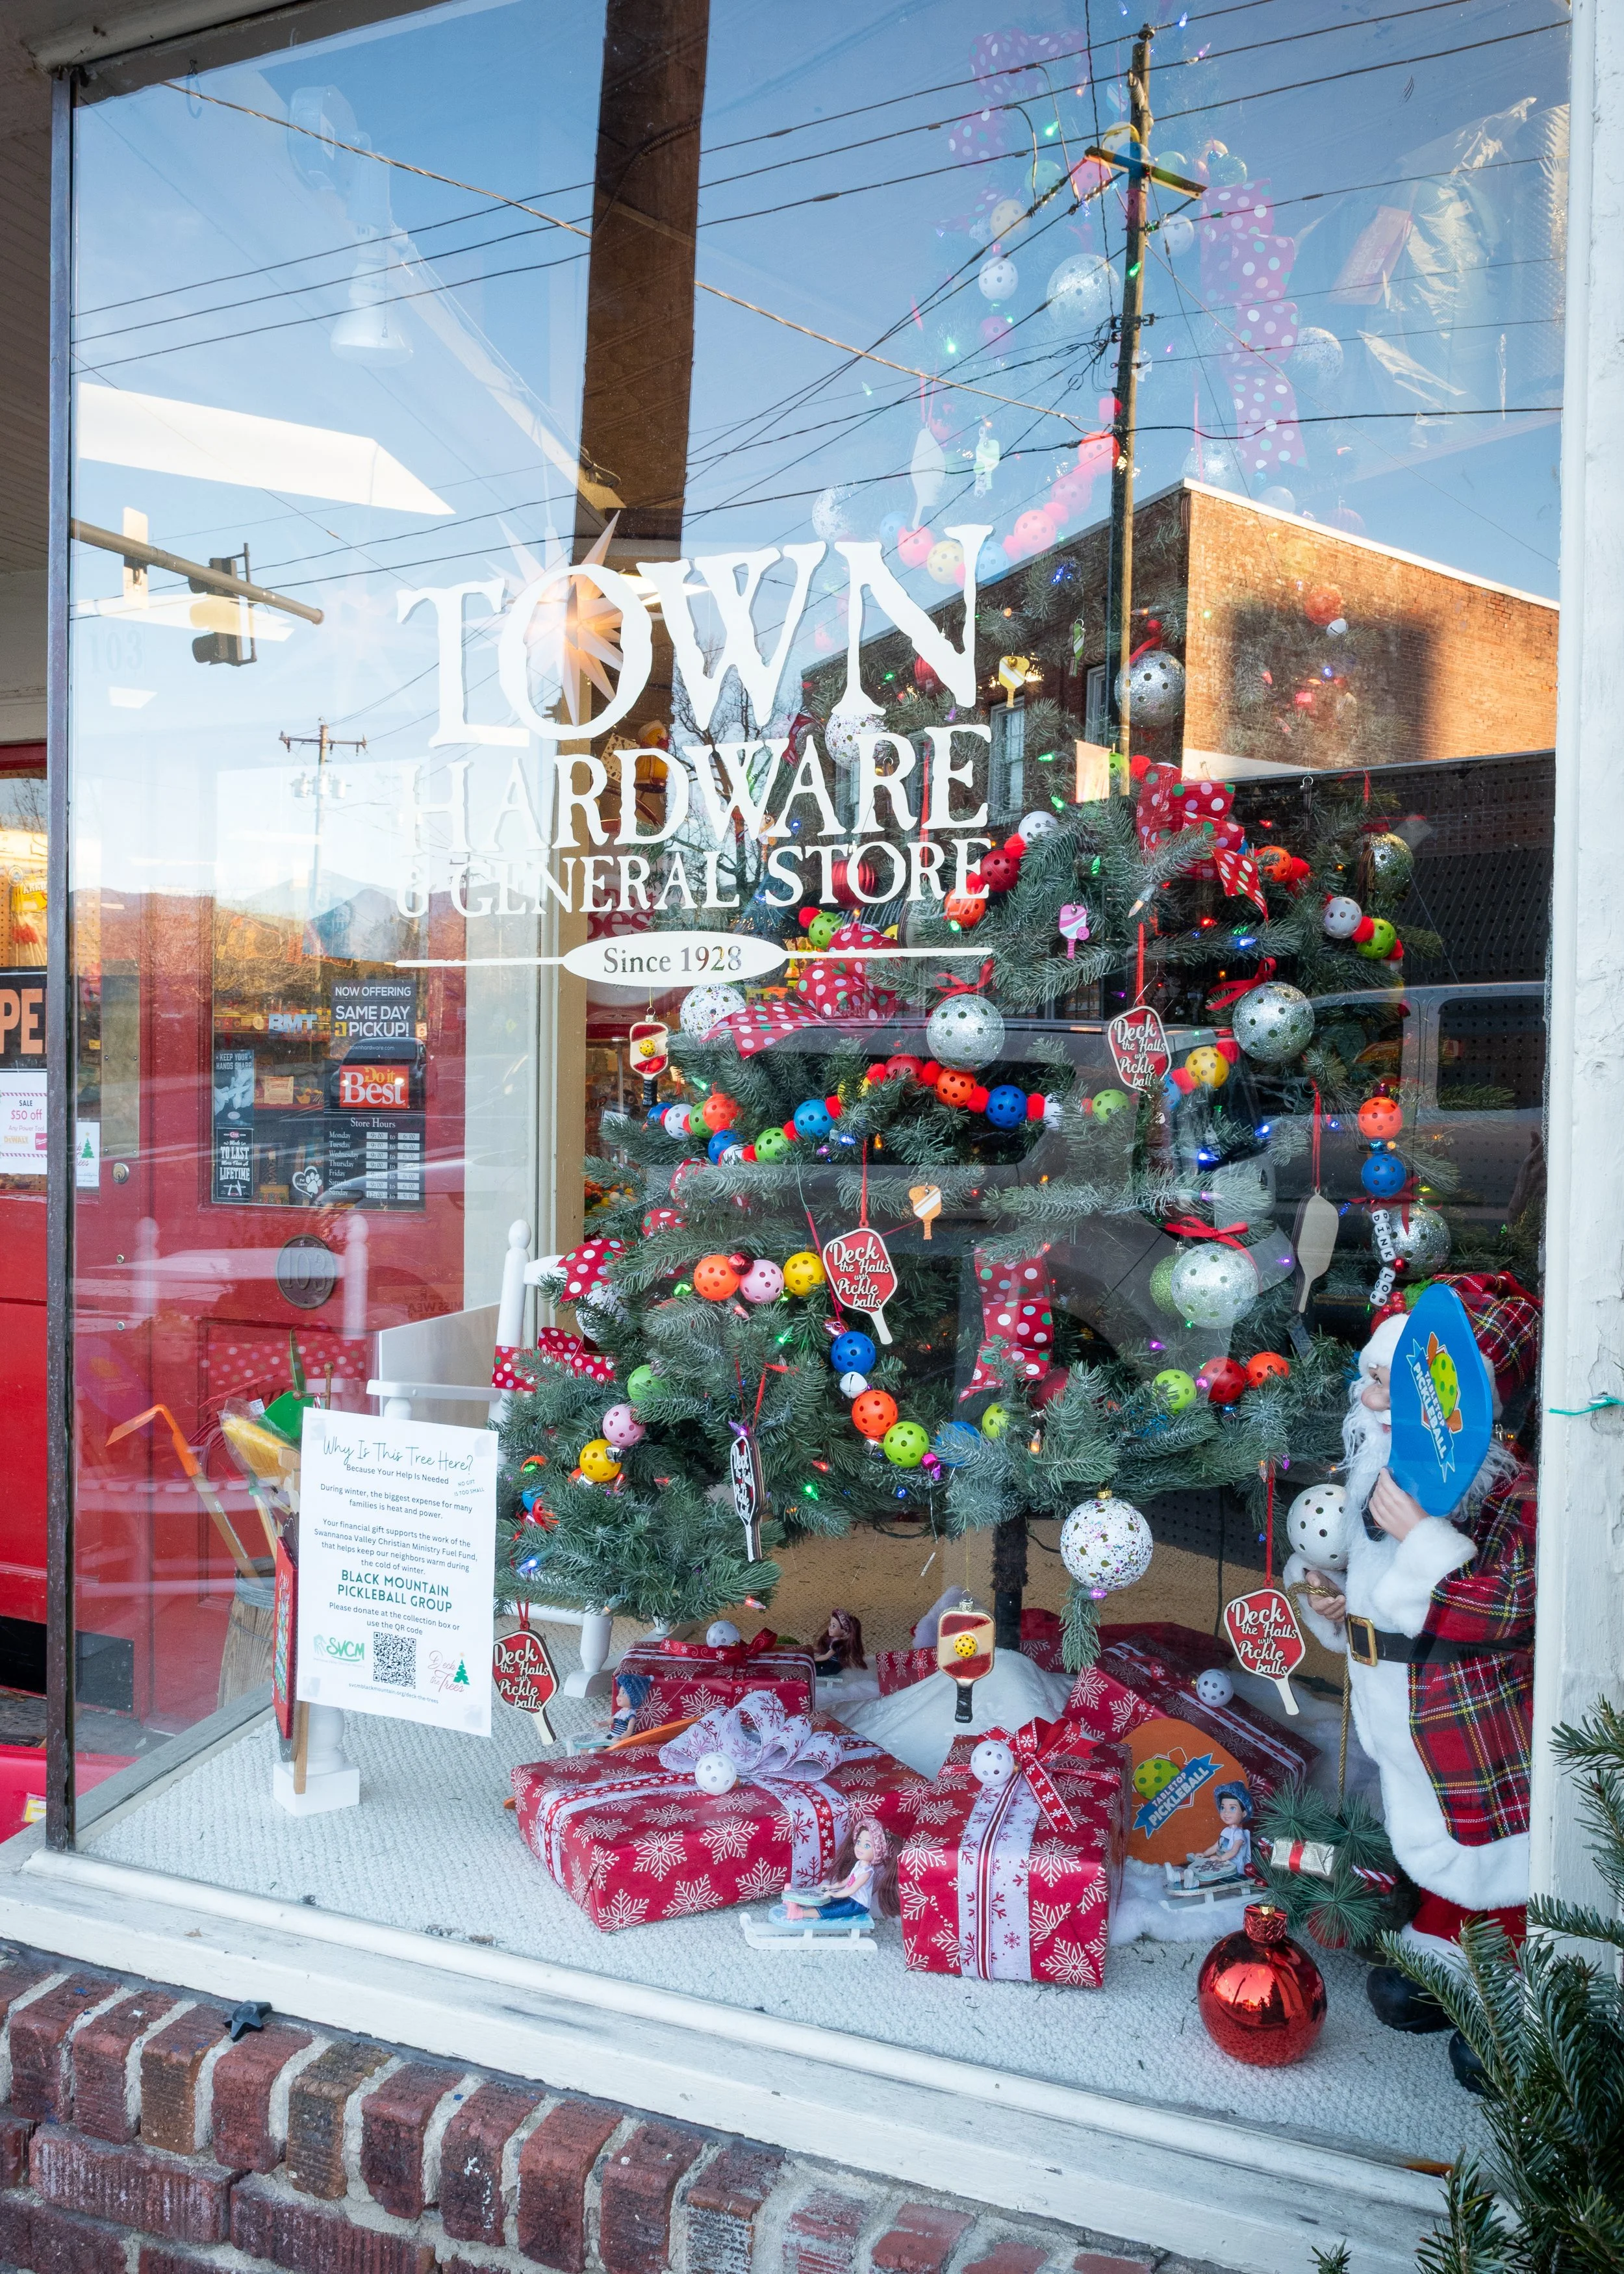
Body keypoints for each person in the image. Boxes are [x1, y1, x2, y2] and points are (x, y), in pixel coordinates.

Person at [1295, 1273, 1540, 2041]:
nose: (1365, 1401)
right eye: (1366, 1378)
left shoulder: (1508, 1494)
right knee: (1425, 1816)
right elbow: (1378, 1588)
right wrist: (1338, 1606)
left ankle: (1512, 1989)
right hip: (1393, 1701)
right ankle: (1441, 1941)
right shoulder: (1382, 1475)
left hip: (1466, 1711)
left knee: (1489, 1834)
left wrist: (1424, 1542)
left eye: (1383, 1383)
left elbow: (1511, 1603)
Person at [776, 1819, 898, 1924]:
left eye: (867, 1846)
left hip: (858, 1905)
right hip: (850, 1898)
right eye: (859, 1842)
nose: (860, 1847)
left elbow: (852, 1889)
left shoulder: (867, 1872)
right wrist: (833, 1887)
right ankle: (794, 1900)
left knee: (832, 1909)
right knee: (827, 1900)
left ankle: (799, 1913)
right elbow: (848, 1881)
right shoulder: (859, 1864)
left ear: (877, 1851)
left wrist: (835, 1894)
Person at [1165, 1780, 1254, 1891]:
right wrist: (1205, 1853)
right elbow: (1217, 1846)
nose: (1226, 1813)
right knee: (1203, 1867)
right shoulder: (1226, 1831)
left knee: (1211, 1876)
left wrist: (1221, 1858)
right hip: (1222, 1863)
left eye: (1232, 1808)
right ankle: (1177, 1876)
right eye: (1223, 1808)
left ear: (1244, 1813)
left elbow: (1234, 1851)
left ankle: (1195, 1883)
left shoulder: (1239, 1834)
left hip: (1233, 1868)